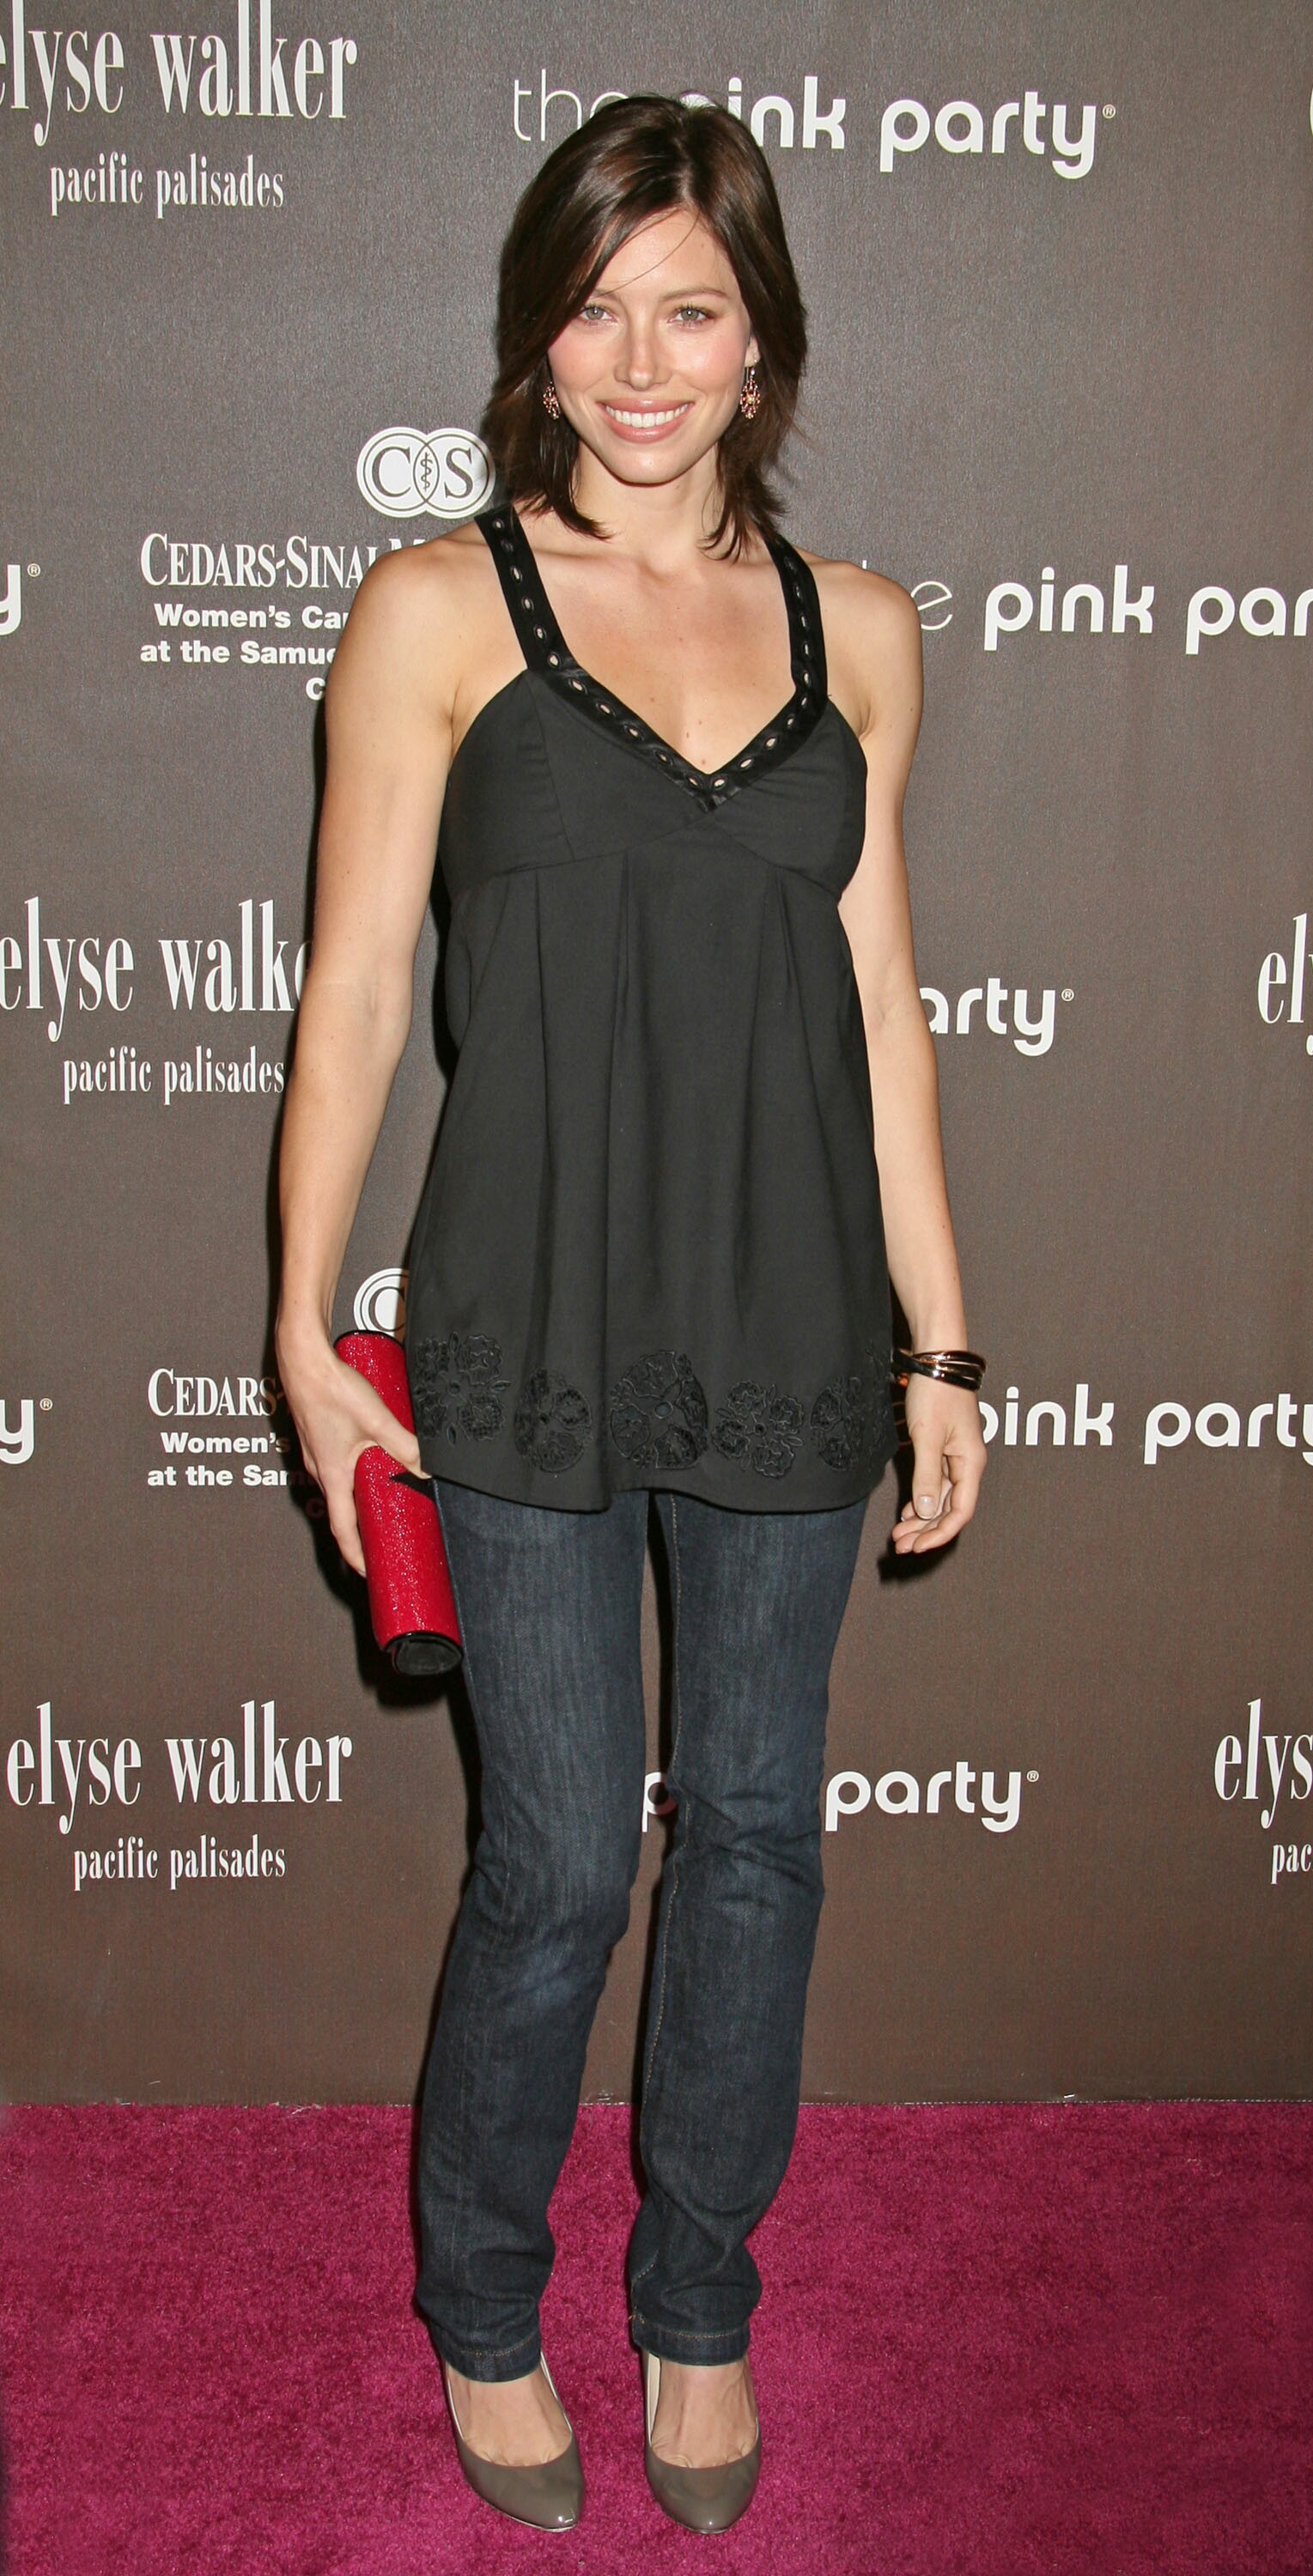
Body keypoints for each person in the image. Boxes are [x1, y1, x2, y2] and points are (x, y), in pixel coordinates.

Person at [275, 94, 987, 2537]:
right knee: (564, 1864)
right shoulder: (435, 611)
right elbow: (355, 995)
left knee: (759, 1841)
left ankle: (697, 2298)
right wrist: (301, 1328)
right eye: (596, 310)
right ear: (536, 341)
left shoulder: (860, 633)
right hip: (529, 1319)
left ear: (763, 341)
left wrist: (941, 1338)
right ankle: (485, 2302)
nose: (643, 360)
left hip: (789, 1321)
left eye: (692, 308)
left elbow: (880, 1008)